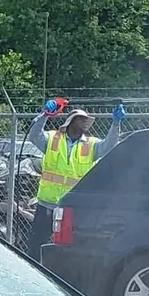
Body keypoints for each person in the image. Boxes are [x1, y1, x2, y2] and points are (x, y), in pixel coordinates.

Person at [28, 102, 98, 251]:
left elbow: (109, 146)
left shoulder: (90, 144)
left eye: (86, 120)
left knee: (68, 248)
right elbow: (34, 136)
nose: (85, 122)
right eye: (81, 119)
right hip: (47, 203)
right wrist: (45, 115)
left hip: (72, 206)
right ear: (72, 121)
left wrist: (116, 124)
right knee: (36, 244)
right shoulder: (53, 138)